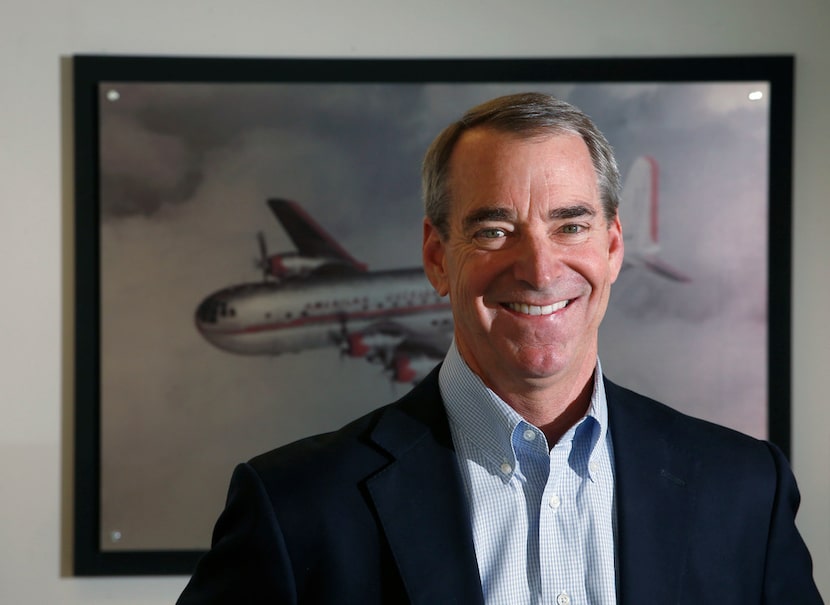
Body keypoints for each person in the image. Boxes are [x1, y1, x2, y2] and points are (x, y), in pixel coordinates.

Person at [177, 93, 822, 604]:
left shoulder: (743, 491)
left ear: (613, 247)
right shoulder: (294, 505)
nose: (540, 269)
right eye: (494, 229)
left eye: (571, 225)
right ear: (437, 257)